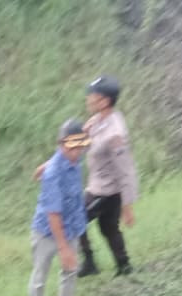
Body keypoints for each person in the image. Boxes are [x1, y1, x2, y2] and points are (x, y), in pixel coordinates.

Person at [78, 75, 139, 278]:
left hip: (103, 191)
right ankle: (124, 266)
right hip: (102, 187)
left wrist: (128, 205)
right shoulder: (101, 119)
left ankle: (89, 262)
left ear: (104, 102)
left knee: (73, 220)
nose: (88, 99)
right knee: (109, 228)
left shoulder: (115, 134)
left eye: (92, 96)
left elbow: (126, 169)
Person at [27, 119, 91, 296]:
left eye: (80, 146)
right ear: (62, 144)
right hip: (47, 231)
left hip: (72, 227)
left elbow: (61, 157)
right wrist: (63, 248)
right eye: (72, 147)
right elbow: (53, 214)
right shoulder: (53, 173)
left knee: (70, 271)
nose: (77, 151)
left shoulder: (74, 160)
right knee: (40, 274)